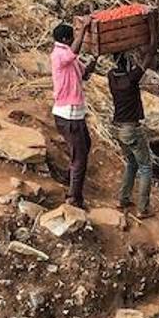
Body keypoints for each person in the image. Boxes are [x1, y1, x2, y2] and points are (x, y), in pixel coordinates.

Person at [107, 20, 158, 216]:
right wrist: (151, 28)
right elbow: (150, 53)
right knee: (145, 167)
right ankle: (143, 208)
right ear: (127, 62)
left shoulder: (112, 76)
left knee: (131, 163)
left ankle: (123, 199)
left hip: (118, 129)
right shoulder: (131, 79)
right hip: (131, 129)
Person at [51, 20, 96, 208]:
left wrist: (95, 60)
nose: (73, 41)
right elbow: (73, 52)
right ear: (65, 39)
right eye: (71, 37)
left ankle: (69, 177)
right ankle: (73, 197)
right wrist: (84, 29)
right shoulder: (59, 55)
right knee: (80, 157)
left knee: (85, 144)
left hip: (75, 113)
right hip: (68, 114)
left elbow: (84, 75)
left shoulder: (72, 59)